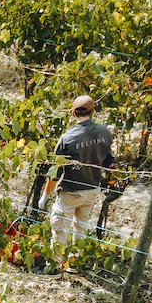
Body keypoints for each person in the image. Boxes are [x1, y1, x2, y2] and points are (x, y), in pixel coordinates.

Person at [37, 95, 114, 275]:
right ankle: (75, 263)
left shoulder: (67, 138)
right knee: (81, 227)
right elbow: (108, 161)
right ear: (93, 112)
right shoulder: (105, 132)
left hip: (71, 192)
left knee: (60, 228)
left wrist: (45, 197)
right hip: (92, 190)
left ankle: (55, 266)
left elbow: (55, 172)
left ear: (73, 113)